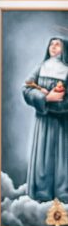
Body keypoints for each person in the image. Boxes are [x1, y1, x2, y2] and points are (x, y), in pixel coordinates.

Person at [23, 35, 68, 202]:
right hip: (43, 122)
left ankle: (63, 195)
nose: (54, 47)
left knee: (63, 158)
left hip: (63, 124)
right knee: (43, 157)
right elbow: (26, 88)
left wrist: (60, 103)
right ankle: (42, 193)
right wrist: (45, 99)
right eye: (51, 44)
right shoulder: (41, 67)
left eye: (58, 44)